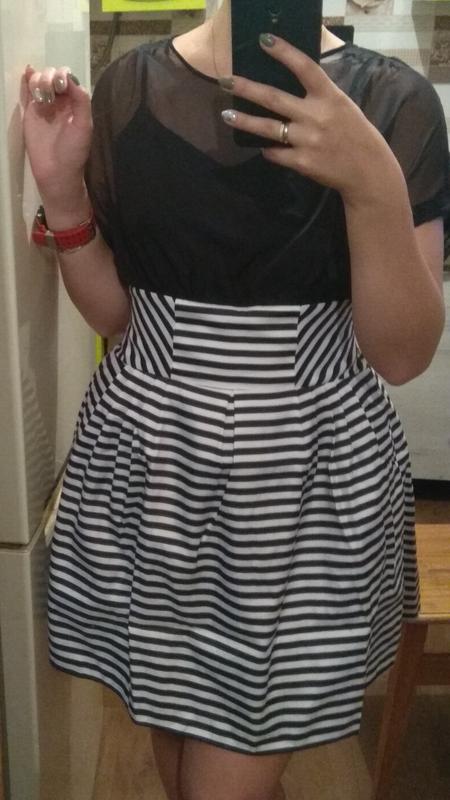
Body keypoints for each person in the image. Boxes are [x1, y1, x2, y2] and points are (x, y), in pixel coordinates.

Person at [23, 1, 449, 798]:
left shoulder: (393, 104)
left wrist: (372, 186)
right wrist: (64, 194)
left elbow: (401, 354)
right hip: (151, 469)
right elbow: (118, 318)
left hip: (305, 486)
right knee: (184, 744)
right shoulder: (127, 89)